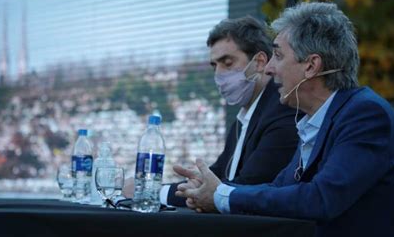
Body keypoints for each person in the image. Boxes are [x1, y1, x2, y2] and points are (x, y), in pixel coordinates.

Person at [176, 2, 394, 237]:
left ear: (311, 66)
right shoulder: (315, 119)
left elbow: (321, 198)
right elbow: (278, 189)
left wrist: (221, 195)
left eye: (278, 56)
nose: (269, 68)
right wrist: (209, 189)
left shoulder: (366, 116)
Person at [124, 16, 299, 206]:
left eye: (228, 62)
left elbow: (244, 188)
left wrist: (153, 192)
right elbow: (217, 175)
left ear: (259, 62)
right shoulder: (243, 120)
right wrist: (194, 183)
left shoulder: (283, 112)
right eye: (215, 65)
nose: (219, 75)